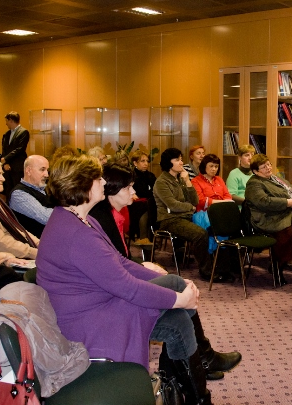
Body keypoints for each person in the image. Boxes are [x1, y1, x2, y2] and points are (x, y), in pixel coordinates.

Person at [37, 154, 241, 404]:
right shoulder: (78, 233)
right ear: (84, 186)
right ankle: (198, 386)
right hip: (90, 319)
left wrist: (164, 282)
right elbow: (126, 286)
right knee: (177, 299)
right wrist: (178, 299)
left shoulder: (80, 219)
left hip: (101, 303)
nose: (103, 182)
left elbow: (120, 263)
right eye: (98, 178)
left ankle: (196, 397)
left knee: (178, 321)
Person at [154, 148, 232, 283]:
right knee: (200, 234)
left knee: (215, 228)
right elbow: (173, 205)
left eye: (181, 159)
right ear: (169, 163)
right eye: (177, 160)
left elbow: (195, 200)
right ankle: (207, 271)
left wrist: (188, 182)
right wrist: (190, 207)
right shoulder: (162, 182)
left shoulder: (181, 179)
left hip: (186, 217)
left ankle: (221, 268)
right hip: (170, 220)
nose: (181, 162)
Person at [244, 154, 292, 286]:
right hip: (267, 218)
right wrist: (288, 202)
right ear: (255, 171)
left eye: (269, 164)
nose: (268, 168)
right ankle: (278, 265)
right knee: (290, 233)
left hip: (284, 214)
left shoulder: (276, 179)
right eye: (264, 167)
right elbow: (264, 202)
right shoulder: (254, 184)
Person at [9, 155, 55, 238]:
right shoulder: (18, 194)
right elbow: (47, 218)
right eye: (42, 169)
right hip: (39, 244)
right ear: (28, 170)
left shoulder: (45, 188)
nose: (47, 174)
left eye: (47, 170)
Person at [1, 111, 30, 198]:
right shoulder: (6, 134)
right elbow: (4, 149)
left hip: (18, 167)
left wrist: (6, 159)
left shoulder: (24, 132)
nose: (6, 123)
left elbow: (20, 149)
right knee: (8, 190)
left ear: (11, 120)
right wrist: (5, 163)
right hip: (7, 167)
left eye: (6, 121)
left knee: (18, 190)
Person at [130, 150, 156, 243]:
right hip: (135, 204)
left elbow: (155, 191)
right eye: (143, 161)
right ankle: (144, 237)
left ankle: (147, 238)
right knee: (146, 209)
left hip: (149, 202)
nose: (146, 163)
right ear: (135, 163)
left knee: (151, 207)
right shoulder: (131, 175)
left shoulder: (151, 175)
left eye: (147, 161)